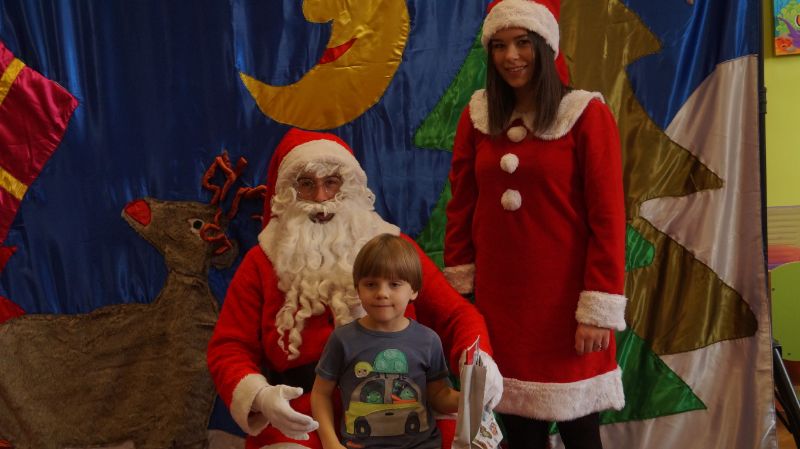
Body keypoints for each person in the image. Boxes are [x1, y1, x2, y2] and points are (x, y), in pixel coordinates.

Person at [207, 128, 502, 449]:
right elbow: (229, 347)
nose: (321, 198)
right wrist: (261, 396)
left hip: (403, 405)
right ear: (288, 192)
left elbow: (457, 314)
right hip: (303, 416)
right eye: (306, 184)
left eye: (331, 182)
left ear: (348, 185)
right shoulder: (261, 262)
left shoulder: (392, 249)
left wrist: (478, 365)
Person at [442, 0, 628, 448]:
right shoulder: (477, 116)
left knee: (581, 433)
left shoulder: (585, 114)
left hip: (567, 308)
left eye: (523, 43)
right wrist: (462, 293)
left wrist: (597, 309)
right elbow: (461, 206)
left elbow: (608, 219)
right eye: (500, 45)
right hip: (499, 307)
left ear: (545, 46)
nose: (511, 56)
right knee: (520, 433)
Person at [311, 233, 460, 449]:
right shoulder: (342, 340)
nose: (382, 293)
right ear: (358, 289)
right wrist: (330, 442)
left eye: (394, 284)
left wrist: (466, 399)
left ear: (414, 290)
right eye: (371, 284)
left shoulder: (428, 340)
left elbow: (438, 394)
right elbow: (320, 394)